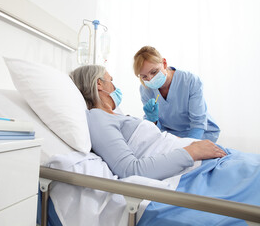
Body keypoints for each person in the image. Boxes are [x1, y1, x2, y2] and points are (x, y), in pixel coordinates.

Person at [69, 65, 227, 180]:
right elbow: (130, 169)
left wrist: (190, 144)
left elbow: (150, 142)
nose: (114, 85)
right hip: (190, 166)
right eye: (111, 80)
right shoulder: (97, 118)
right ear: (99, 84)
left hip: (198, 158)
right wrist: (192, 152)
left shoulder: (114, 115)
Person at [133, 46, 220, 143]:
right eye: (144, 76)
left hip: (200, 134)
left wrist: (188, 147)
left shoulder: (189, 81)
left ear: (164, 64)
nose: (150, 79)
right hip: (171, 136)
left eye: (154, 72)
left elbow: (198, 124)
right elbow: (155, 129)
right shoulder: (146, 89)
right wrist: (153, 120)